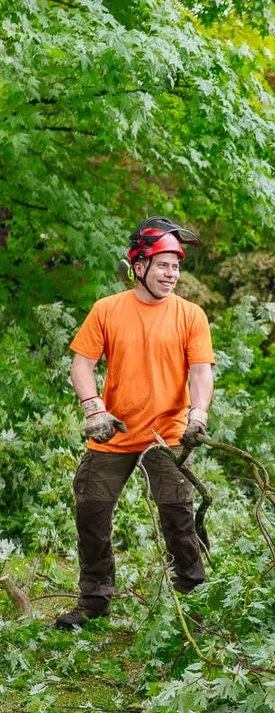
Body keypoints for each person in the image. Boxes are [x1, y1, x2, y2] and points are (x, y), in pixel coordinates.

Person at [55, 217, 215, 629]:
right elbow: (82, 365)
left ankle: (193, 600)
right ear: (138, 265)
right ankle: (93, 601)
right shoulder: (107, 310)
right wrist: (94, 408)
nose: (172, 274)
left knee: (178, 514)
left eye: (176, 266)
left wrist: (198, 416)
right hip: (115, 431)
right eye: (163, 265)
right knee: (91, 512)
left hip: (167, 433)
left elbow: (200, 372)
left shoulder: (190, 315)